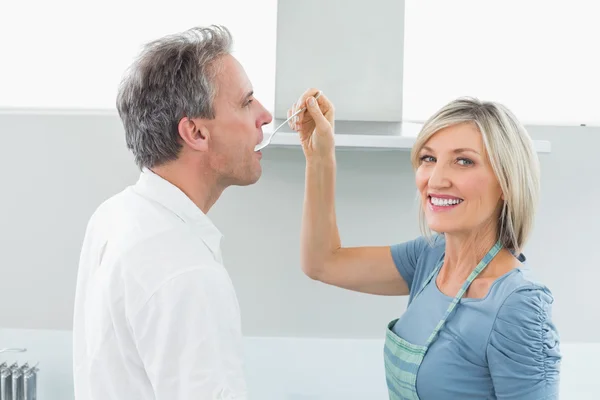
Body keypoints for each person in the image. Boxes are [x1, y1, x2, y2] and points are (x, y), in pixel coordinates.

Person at [289, 89, 561, 399]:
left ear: (507, 183)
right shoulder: (430, 258)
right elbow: (322, 262)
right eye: (428, 158)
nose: (435, 180)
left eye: (463, 161)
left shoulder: (517, 305)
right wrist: (319, 155)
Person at [72, 25, 272, 399]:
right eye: (246, 102)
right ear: (195, 133)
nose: (265, 115)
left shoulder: (115, 215)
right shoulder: (188, 274)